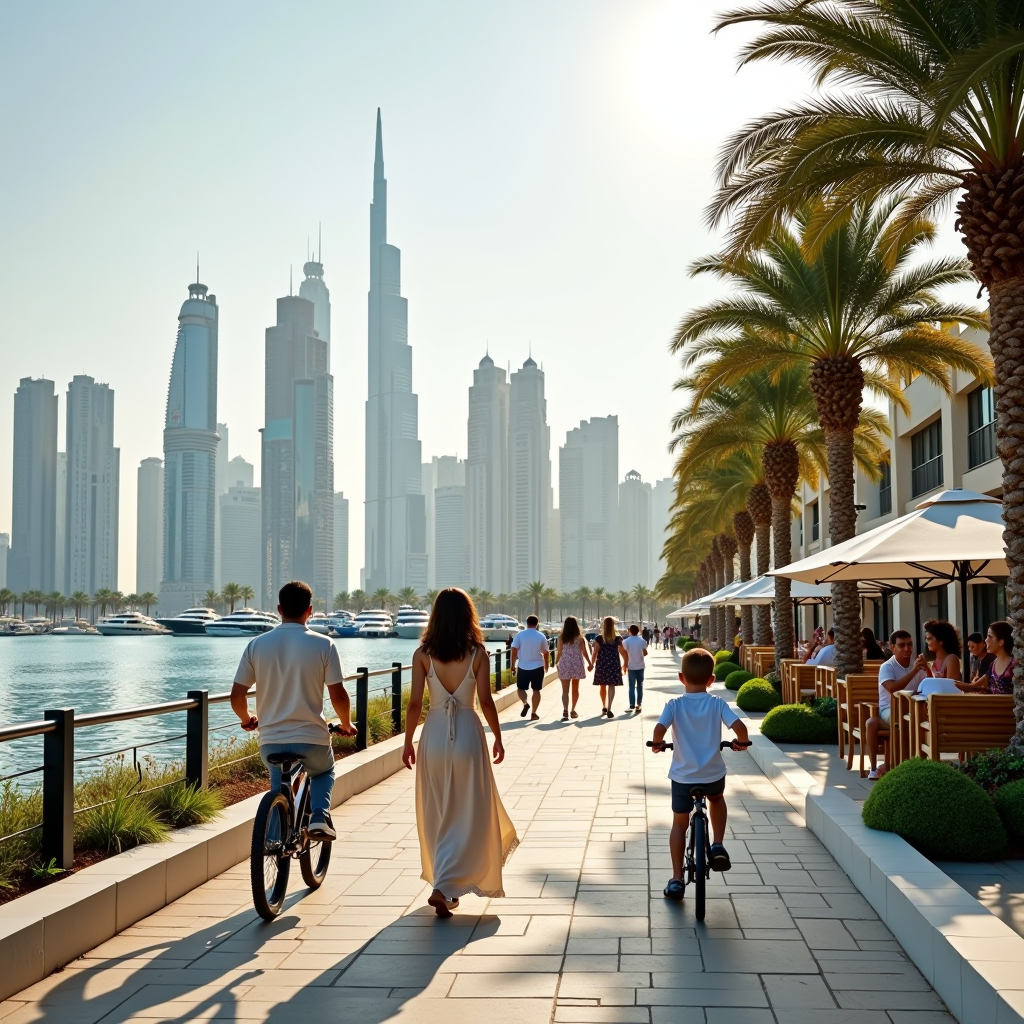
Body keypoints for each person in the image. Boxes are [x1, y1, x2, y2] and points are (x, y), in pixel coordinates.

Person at [402, 588, 518, 917]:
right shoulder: (477, 653)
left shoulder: (422, 654)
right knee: (468, 811)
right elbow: (486, 701)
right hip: (467, 733)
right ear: (468, 616)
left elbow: (414, 704)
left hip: (434, 735)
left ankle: (445, 885)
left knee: (437, 811)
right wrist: (498, 737)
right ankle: (446, 886)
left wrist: (408, 742)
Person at [231, 580, 357, 841]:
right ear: (310, 610)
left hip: (271, 741)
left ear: (279, 609)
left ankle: (273, 840)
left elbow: (237, 696)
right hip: (312, 739)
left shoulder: (256, 645)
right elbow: (338, 695)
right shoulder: (324, 645)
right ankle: (320, 816)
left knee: (278, 783)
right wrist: (346, 723)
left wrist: (247, 719)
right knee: (324, 772)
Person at [651, 647, 750, 901]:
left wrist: (658, 744)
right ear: (711, 680)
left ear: (681, 677)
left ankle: (676, 879)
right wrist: (741, 742)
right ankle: (717, 844)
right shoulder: (717, 703)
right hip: (712, 774)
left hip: (683, 778)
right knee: (716, 799)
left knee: (679, 823)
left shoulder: (674, 705)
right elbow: (740, 727)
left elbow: (659, 729)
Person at [864, 630, 927, 780]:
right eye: (902, 645)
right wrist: (914, 671)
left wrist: (927, 669)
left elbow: (926, 687)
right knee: (904, 721)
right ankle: (898, 765)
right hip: (889, 709)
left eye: (910, 644)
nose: (907, 648)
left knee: (922, 721)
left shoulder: (916, 665)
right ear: (892, 647)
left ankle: (917, 765)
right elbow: (892, 688)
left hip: (913, 709)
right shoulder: (887, 666)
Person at [511, 615, 551, 720]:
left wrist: (512, 665)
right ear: (537, 623)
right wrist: (546, 665)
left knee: (520, 689)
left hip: (523, 666)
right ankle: (534, 713)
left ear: (526, 622)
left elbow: (514, 650)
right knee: (536, 690)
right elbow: (546, 652)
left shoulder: (520, 635)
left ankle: (525, 703)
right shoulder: (541, 636)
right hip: (538, 666)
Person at [962, 620, 1017, 694]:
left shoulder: (1015, 665)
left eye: (990, 636)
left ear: (1001, 642)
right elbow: (976, 686)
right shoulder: (993, 664)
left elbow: (976, 686)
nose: (986, 640)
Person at [555, 615, 592, 720]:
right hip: (576, 664)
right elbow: (584, 652)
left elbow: (559, 652)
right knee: (575, 688)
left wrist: (557, 663)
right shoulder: (580, 638)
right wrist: (590, 663)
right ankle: (573, 710)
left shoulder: (561, 638)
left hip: (565, 663)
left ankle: (565, 710)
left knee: (565, 690)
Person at [592, 615, 629, 717]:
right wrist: (625, 663)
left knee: (602, 685)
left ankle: (604, 705)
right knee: (611, 685)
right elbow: (623, 652)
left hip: (602, 664)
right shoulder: (617, 638)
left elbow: (595, 652)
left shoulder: (599, 638)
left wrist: (591, 664)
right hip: (613, 663)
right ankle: (609, 708)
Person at [915, 619, 963, 693]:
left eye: (930, 639)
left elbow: (952, 689)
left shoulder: (951, 659)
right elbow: (933, 686)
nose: (927, 642)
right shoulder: (934, 662)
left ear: (941, 641)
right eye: (926, 639)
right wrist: (926, 669)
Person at [623, 623, 649, 713]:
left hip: (631, 666)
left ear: (629, 631)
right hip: (640, 665)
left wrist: (625, 663)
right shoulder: (642, 641)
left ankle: (631, 705)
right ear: (638, 631)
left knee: (631, 686)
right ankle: (639, 704)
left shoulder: (626, 641)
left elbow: (624, 653)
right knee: (640, 685)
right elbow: (645, 653)